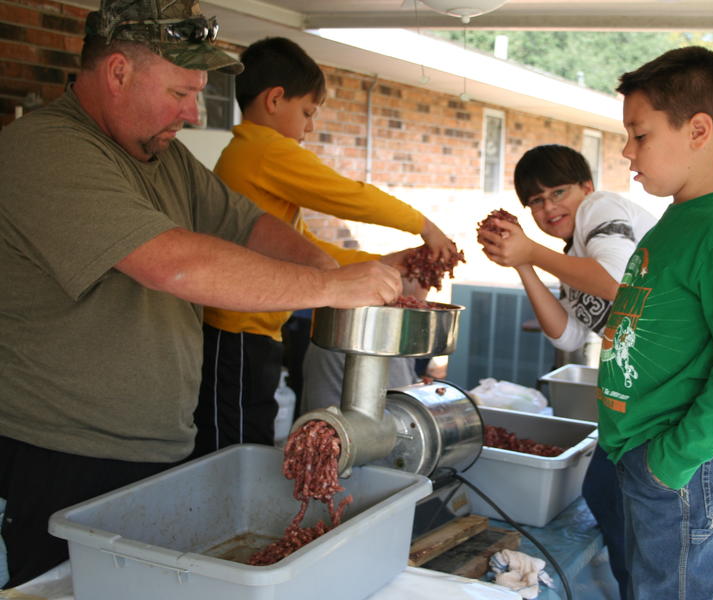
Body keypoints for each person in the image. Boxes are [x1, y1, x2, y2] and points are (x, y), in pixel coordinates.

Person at [0, 0, 400, 588]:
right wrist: (330, 285)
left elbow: (247, 225)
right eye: (181, 93)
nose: (192, 114)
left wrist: (321, 262)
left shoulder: (166, 157)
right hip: (67, 454)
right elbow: (175, 266)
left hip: (157, 446)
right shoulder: (45, 150)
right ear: (117, 73)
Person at [194, 36, 455, 455]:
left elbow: (304, 246)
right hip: (236, 330)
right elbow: (347, 194)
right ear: (275, 100)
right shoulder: (265, 150)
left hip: (252, 329)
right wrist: (423, 226)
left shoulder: (252, 154)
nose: (309, 127)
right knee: (235, 448)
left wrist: (382, 264)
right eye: (307, 113)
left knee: (250, 431)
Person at [597, 46, 713, 599]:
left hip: (677, 460)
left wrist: (673, 460)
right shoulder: (675, 220)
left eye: (640, 134)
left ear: (698, 130)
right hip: (647, 448)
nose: (628, 151)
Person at [477, 144, 657, 600]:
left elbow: (617, 282)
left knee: (638, 517)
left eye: (558, 192)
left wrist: (531, 250)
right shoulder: (573, 251)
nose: (549, 207)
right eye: (536, 201)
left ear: (586, 188)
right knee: (604, 492)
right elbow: (568, 336)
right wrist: (523, 263)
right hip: (637, 398)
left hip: (668, 394)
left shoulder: (603, 209)